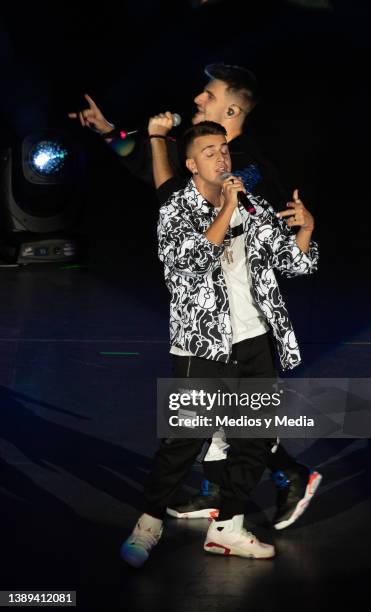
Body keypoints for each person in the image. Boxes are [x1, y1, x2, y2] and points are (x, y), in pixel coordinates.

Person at [68, 64, 322, 529]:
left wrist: (158, 140)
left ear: (230, 109)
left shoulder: (242, 165)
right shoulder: (207, 154)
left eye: (207, 95)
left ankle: (289, 475)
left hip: (240, 315)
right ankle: (218, 494)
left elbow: (173, 195)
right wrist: (113, 134)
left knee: (229, 418)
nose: (197, 99)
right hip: (211, 315)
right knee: (214, 419)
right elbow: (156, 175)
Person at [120, 120, 318, 567]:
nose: (222, 157)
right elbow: (187, 262)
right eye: (210, 152)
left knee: (256, 437)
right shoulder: (177, 209)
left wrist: (306, 229)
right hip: (201, 347)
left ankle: (228, 525)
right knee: (184, 440)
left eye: (224, 149)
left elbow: (294, 263)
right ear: (190, 164)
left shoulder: (251, 205)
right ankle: (148, 524)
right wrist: (226, 210)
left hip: (254, 341)